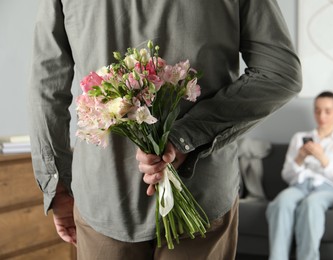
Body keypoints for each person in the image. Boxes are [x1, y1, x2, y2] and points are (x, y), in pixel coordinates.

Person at [28, 0, 301, 259]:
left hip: (106, 197)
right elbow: (280, 74)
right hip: (201, 195)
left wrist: (56, 186)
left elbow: (47, 88)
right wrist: (185, 137)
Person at [266, 91, 333, 260]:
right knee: (281, 202)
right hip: (299, 186)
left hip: (328, 190)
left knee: (311, 204)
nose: (321, 116)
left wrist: (323, 158)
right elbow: (287, 175)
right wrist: (300, 158)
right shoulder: (299, 138)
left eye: (327, 111)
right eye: (317, 110)